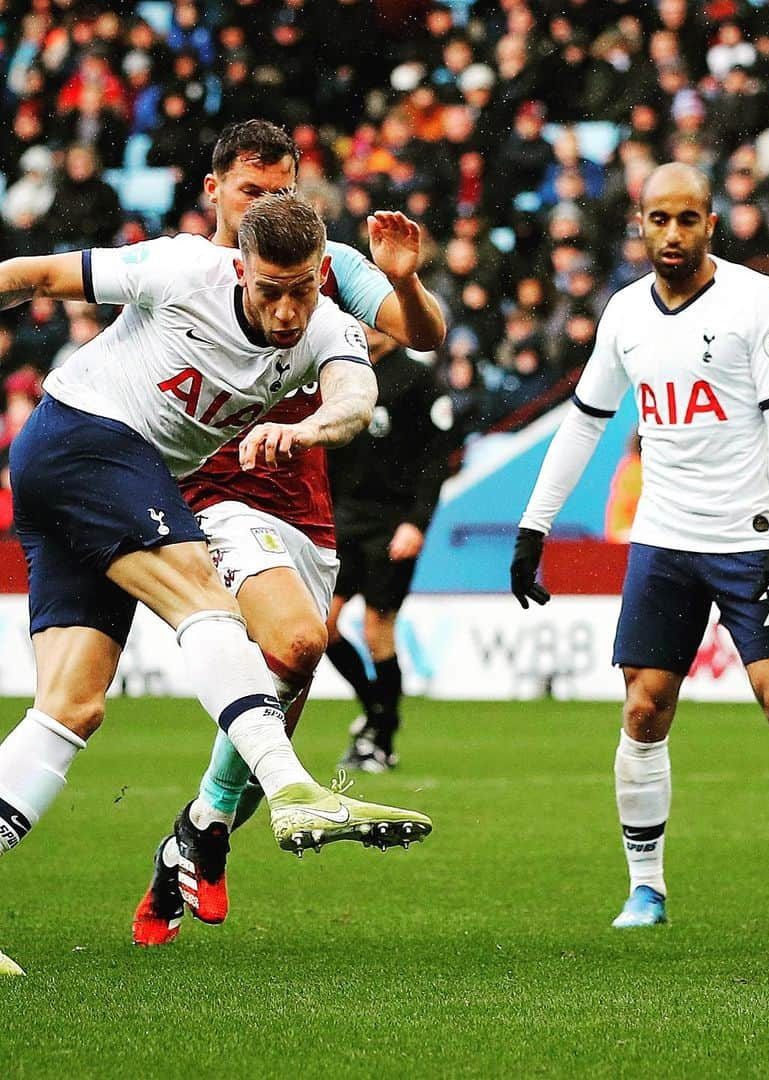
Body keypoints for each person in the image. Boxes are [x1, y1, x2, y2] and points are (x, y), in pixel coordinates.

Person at [0, 192, 434, 976]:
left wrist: (302, 429)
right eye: (271, 290)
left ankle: (219, 818)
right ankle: (289, 785)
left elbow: (355, 398)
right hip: (84, 438)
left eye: (302, 287)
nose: (288, 309)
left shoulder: (328, 323)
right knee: (205, 597)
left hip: (88, 481)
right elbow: (35, 273)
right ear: (240, 267)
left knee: (71, 707)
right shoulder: (180, 268)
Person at [510, 162, 769, 930]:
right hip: (663, 542)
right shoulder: (625, 313)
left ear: (710, 222)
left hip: (749, 539)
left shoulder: (754, 301)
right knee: (643, 709)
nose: (672, 234)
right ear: (640, 223)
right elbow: (584, 421)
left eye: (686, 219)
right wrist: (535, 526)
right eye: (657, 219)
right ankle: (646, 888)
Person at [131, 120, 446, 946]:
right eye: (251, 191)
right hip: (214, 497)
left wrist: (406, 286)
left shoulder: (330, 265)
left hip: (306, 511)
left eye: (283, 190)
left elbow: (424, 336)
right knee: (302, 644)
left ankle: (192, 837)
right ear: (214, 193)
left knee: (272, 707)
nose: (268, 205)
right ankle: (207, 828)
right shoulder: (179, 270)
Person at [326, 325, 456, 773]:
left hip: (392, 522)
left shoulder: (418, 380)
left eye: (374, 318)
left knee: (376, 626)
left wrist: (417, 523)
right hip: (343, 518)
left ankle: (382, 738)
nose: (364, 326)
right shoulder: (340, 372)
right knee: (322, 625)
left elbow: (436, 460)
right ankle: (378, 710)